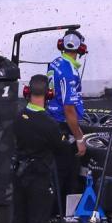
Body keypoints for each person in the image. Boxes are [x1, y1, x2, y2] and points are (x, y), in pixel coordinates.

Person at [11, 74, 70, 223]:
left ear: (27, 91)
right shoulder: (49, 124)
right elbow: (61, 146)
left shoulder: (17, 116)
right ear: (48, 94)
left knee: (18, 218)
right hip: (39, 179)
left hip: (19, 175)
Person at [45, 29, 88, 198]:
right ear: (81, 49)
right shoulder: (69, 72)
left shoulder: (54, 62)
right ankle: (60, 214)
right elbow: (69, 109)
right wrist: (79, 138)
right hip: (63, 125)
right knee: (67, 175)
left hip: (51, 118)